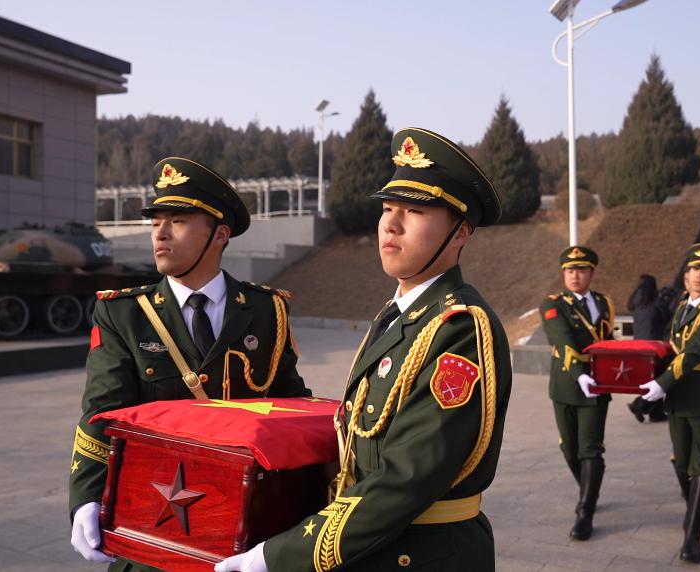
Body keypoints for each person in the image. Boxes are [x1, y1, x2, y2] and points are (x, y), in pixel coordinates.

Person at [216, 128, 513, 571]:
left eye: (414, 211)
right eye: (388, 208)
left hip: (424, 555)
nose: (391, 224)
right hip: (375, 544)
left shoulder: (460, 329)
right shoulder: (399, 315)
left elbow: (405, 481)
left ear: (460, 233)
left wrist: (275, 558)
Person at [69, 157, 311, 569]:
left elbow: (293, 407)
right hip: (155, 521)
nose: (159, 233)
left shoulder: (266, 310)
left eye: (177, 221)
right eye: (155, 222)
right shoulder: (124, 314)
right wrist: (86, 499)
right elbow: (102, 413)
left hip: (244, 526)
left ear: (220, 234)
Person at [639, 243, 700, 563]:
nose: (699, 274)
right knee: (681, 461)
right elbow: (674, 348)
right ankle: (693, 502)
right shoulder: (683, 306)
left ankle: (692, 535)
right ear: (685, 276)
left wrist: (662, 383)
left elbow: (695, 351)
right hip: (680, 397)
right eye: (694, 269)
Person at [539, 245, 615, 540]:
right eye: (570, 270)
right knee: (570, 448)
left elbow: (608, 341)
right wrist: (579, 374)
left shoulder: (604, 302)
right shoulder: (553, 304)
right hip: (567, 383)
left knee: (590, 448)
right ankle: (588, 488)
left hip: (598, 383)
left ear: (591, 273)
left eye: (581, 270)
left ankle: (585, 511)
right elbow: (562, 340)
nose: (575, 276)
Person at [626, 274, 674, 423]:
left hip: (638, 345)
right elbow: (668, 318)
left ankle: (656, 412)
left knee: (652, 377)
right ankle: (639, 405)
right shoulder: (656, 301)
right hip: (654, 345)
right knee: (659, 377)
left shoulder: (635, 301)